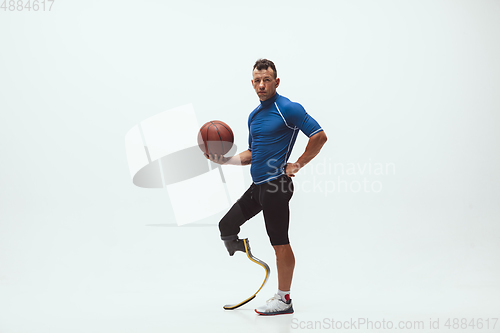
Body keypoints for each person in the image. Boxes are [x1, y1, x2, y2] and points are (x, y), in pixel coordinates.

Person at [205, 59, 327, 315]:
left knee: (279, 243)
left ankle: (284, 299)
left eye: (267, 80)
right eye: (257, 81)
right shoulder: (254, 116)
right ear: (252, 83)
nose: (262, 85)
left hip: (276, 187)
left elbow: (319, 136)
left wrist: (298, 164)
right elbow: (252, 153)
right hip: (258, 186)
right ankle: (250, 254)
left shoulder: (288, 108)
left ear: (276, 82)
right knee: (226, 226)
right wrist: (224, 159)